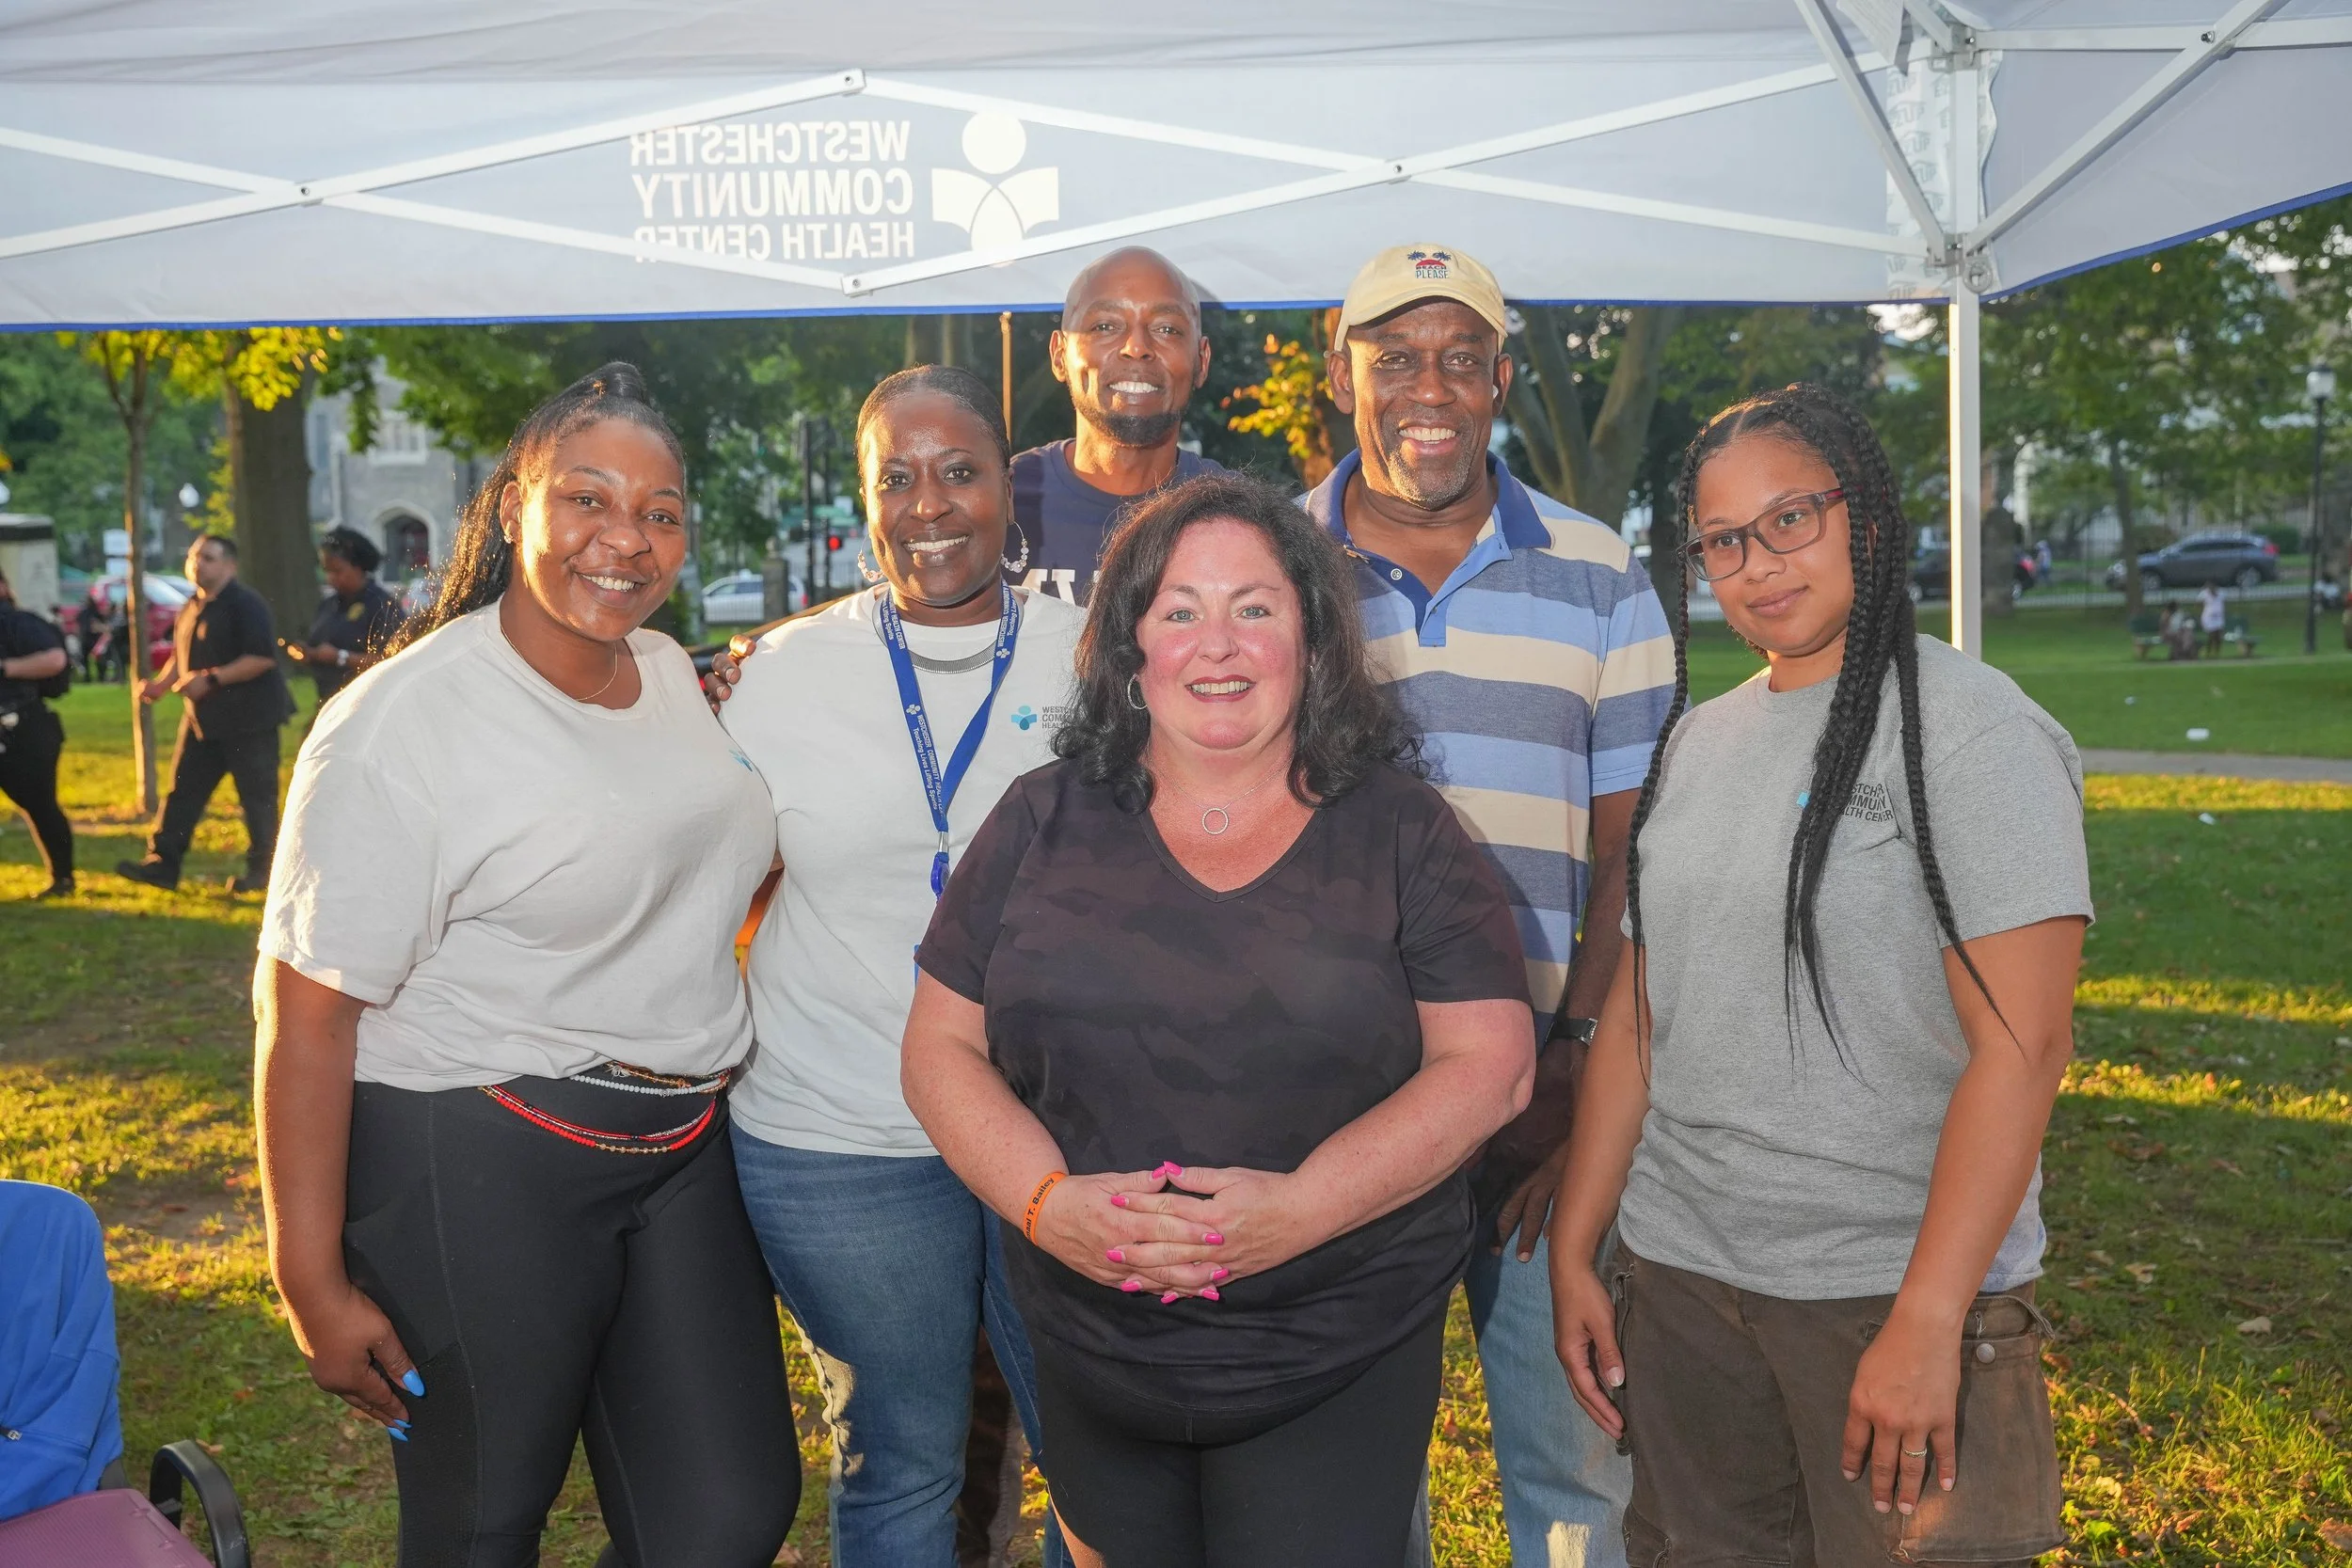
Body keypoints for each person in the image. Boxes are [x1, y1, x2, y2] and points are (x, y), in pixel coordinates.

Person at [904, 471, 1537, 1567]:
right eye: (1179, 610)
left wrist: (1296, 1211)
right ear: (1128, 642)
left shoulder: (1404, 831)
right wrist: (1046, 1205)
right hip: (1097, 1341)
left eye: (1255, 608)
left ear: (1311, 638)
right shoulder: (1037, 818)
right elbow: (938, 1047)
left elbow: (1489, 1063)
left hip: (1332, 1338)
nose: (1218, 644)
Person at [252, 364, 801, 1568]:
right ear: (513, 510)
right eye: (588, 498)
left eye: (661, 511)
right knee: (480, 1525)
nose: (627, 537)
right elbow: (304, 1017)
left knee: (722, 1515)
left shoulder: (664, 672)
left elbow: (688, 855)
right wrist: (309, 1278)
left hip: (676, 1145)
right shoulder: (404, 721)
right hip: (480, 1146)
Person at [1549, 384, 2089, 1565]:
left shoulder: (1970, 730)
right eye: (1724, 539)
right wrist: (1577, 1248)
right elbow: (1640, 1019)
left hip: (1883, 1288)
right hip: (1686, 1287)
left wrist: (1929, 1317)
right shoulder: (1699, 736)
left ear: (1868, 517)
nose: (1757, 563)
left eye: (1791, 518)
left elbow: (2024, 1046)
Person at [1299, 243, 1673, 1567]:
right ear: (1344, 374)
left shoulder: (1599, 573)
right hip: (1334, 1110)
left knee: (1573, 1472)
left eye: (1463, 354)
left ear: (1504, 376)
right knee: (1352, 1491)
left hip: (1545, 1113)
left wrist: (1575, 1066)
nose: (1430, 384)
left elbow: (1636, 853)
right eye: (1396, 356)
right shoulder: (1270, 570)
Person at [712, 365, 1084, 1566]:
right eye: (897, 478)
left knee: (1095, 1456)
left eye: (959, 471)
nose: (929, 504)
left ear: (1009, 487)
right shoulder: (778, 673)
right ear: (868, 502)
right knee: (902, 1460)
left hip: (1055, 1128)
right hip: (839, 1135)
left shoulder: (1097, 659)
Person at [1013, 246, 1228, 605]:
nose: (1136, 347)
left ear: (1201, 360)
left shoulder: (1239, 517)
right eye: (1105, 326)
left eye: (1167, 329)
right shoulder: (996, 505)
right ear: (1059, 355)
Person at [115, 534, 294, 894]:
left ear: (231, 565)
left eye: (208, 558)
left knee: (257, 799)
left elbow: (260, 658)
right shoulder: (192, 605)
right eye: (194, 556)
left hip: (249, 721)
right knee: (182, 794)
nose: (198, 564)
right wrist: (162, 686)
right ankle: (163, 865)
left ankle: (266, 873)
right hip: (203, 722)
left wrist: (211, 679)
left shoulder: (246, 605)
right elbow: (182, 658)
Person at [0, 564, 74, 898]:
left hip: (23, 728)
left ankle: (63, 879)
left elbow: (55, 659)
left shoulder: (20, 623)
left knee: (40, 804)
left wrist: (5, 668)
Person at [290, 527, 404, 707]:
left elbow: (395, 659)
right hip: (329, 701)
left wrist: (341, 657)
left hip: (368, 703)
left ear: (358, 568)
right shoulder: (328, 605)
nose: (330, 579)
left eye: (337, 571)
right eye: (327, 571)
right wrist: (310, 654)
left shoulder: (382, 606)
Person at [2198, 580, 2227, 657]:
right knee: (2211, 635)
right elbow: (2199, 604)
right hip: (2208, 618)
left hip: (2219, 618)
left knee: (2219, 636)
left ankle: (2217, 652)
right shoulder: (2204, 594)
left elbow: (2223, 604)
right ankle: (2208, 651)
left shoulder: (2221, 593)